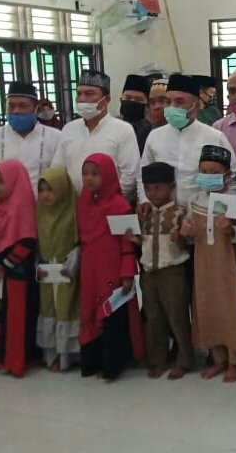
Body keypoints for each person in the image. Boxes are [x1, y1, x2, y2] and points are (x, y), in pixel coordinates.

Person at [181, 145, 236, 383]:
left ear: (227, 173)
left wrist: (231, 229)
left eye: (214, 172)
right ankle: (218, 359)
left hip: (229, 262)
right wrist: (186, 231)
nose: (207, 176)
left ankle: (234, 360)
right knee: (206, 306)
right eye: (203, 171)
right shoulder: (195, 198)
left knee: (231, 307)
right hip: (204, 263)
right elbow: (189, 234)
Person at [77, 153, 143, 380]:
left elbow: (127, 243)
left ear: (107, 175)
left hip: (111, 269)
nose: (89, 178)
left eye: (95, 174)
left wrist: (127, 274)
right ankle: (92, 362)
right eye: (85, 174)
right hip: (90, 269)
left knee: (112, 316)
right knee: (89, 311)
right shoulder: (83, 202)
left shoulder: (119, 205)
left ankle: (112, 364)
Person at [127, 162, 193, 380]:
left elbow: (188, 244)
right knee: (153, 318)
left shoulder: (179, 213)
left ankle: (184, 360)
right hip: (149, 272)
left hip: (172, 272)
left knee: (177, 316)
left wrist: (180, 238)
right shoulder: (144, 214)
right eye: (148, 188)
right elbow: (144, 242)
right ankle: (158, 359)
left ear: (171, 187)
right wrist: (135, 240)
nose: (153, 193)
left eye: (158, 188)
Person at [139, 73, 236, 208]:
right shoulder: (154, 136)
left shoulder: (215, 137)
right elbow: (142, 174)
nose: (172, 107)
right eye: (168, 102)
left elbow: (233, 178)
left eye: (179, 102)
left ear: (195, 106)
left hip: (203, 213)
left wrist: (222, 212)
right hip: (164, 213)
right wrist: (144, 200)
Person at [52, 70, 140, 198]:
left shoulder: (123, 129)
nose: (82, 99)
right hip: (74, 205)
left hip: (110, 204)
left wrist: (105, 201)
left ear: (107, 99)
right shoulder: (69, 129)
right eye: (79, 93)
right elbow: (57, 170)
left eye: (89, 94)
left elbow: (130, 174)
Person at [0, 160, 40, 376]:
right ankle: (0, 354)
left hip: (18, 273)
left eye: (1, 181)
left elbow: (27, 242)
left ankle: (15, 360)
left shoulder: (22, 205)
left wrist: (3, 266)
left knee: (17, 316)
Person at [35, 167, 80, 372]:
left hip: (67, 271)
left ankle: (66, 357)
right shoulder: (39, 212)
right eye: (41, 190)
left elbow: (78, 242)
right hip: (46, 271)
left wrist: (71, 261)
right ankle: (51, 356)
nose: (45, 195)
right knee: (48, 309)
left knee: (66, 308)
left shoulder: (73, 212)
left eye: (50, 189)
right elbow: (36, 243)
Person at [0, 82, 61, 195]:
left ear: (36, 109)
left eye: (23, 106)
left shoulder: (55, 137)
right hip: (2, 205)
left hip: (41, 205)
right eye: (11, 106)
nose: (16, 111)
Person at [119, 74, 151, 154]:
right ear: (121, 100)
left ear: (147, 104)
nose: (132, 102)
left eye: (138, 99)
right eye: (128, 98)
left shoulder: (151, 132)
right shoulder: (112, 127)